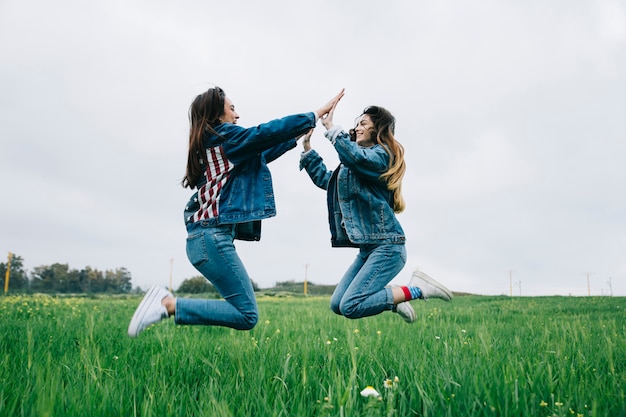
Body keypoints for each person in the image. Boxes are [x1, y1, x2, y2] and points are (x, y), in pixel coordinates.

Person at [128, 86, 345, 337]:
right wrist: (315, 113)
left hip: (205, 239)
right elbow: (264, 133)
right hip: (211, 238)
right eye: (232, 109)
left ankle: (169, 304)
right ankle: (168, 304)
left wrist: (298, 135)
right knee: (246, 314)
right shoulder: (225, 138)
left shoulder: (217, 146)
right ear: (217, 115)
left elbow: (261, 150)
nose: (237, 115)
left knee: (245, 313)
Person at [299, 101, 452, 323]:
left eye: (363, 123)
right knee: (337, 304)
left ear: (378, 130)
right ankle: (395, 298)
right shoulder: (355, 165)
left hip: (388, 247)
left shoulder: (382, 156)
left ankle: (416, 289)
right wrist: (307, 148)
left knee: (351, 306)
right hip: (368, 249)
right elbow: (328, 181)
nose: (357, 127)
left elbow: (354, 156)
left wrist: (331, 127)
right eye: (357, 124)